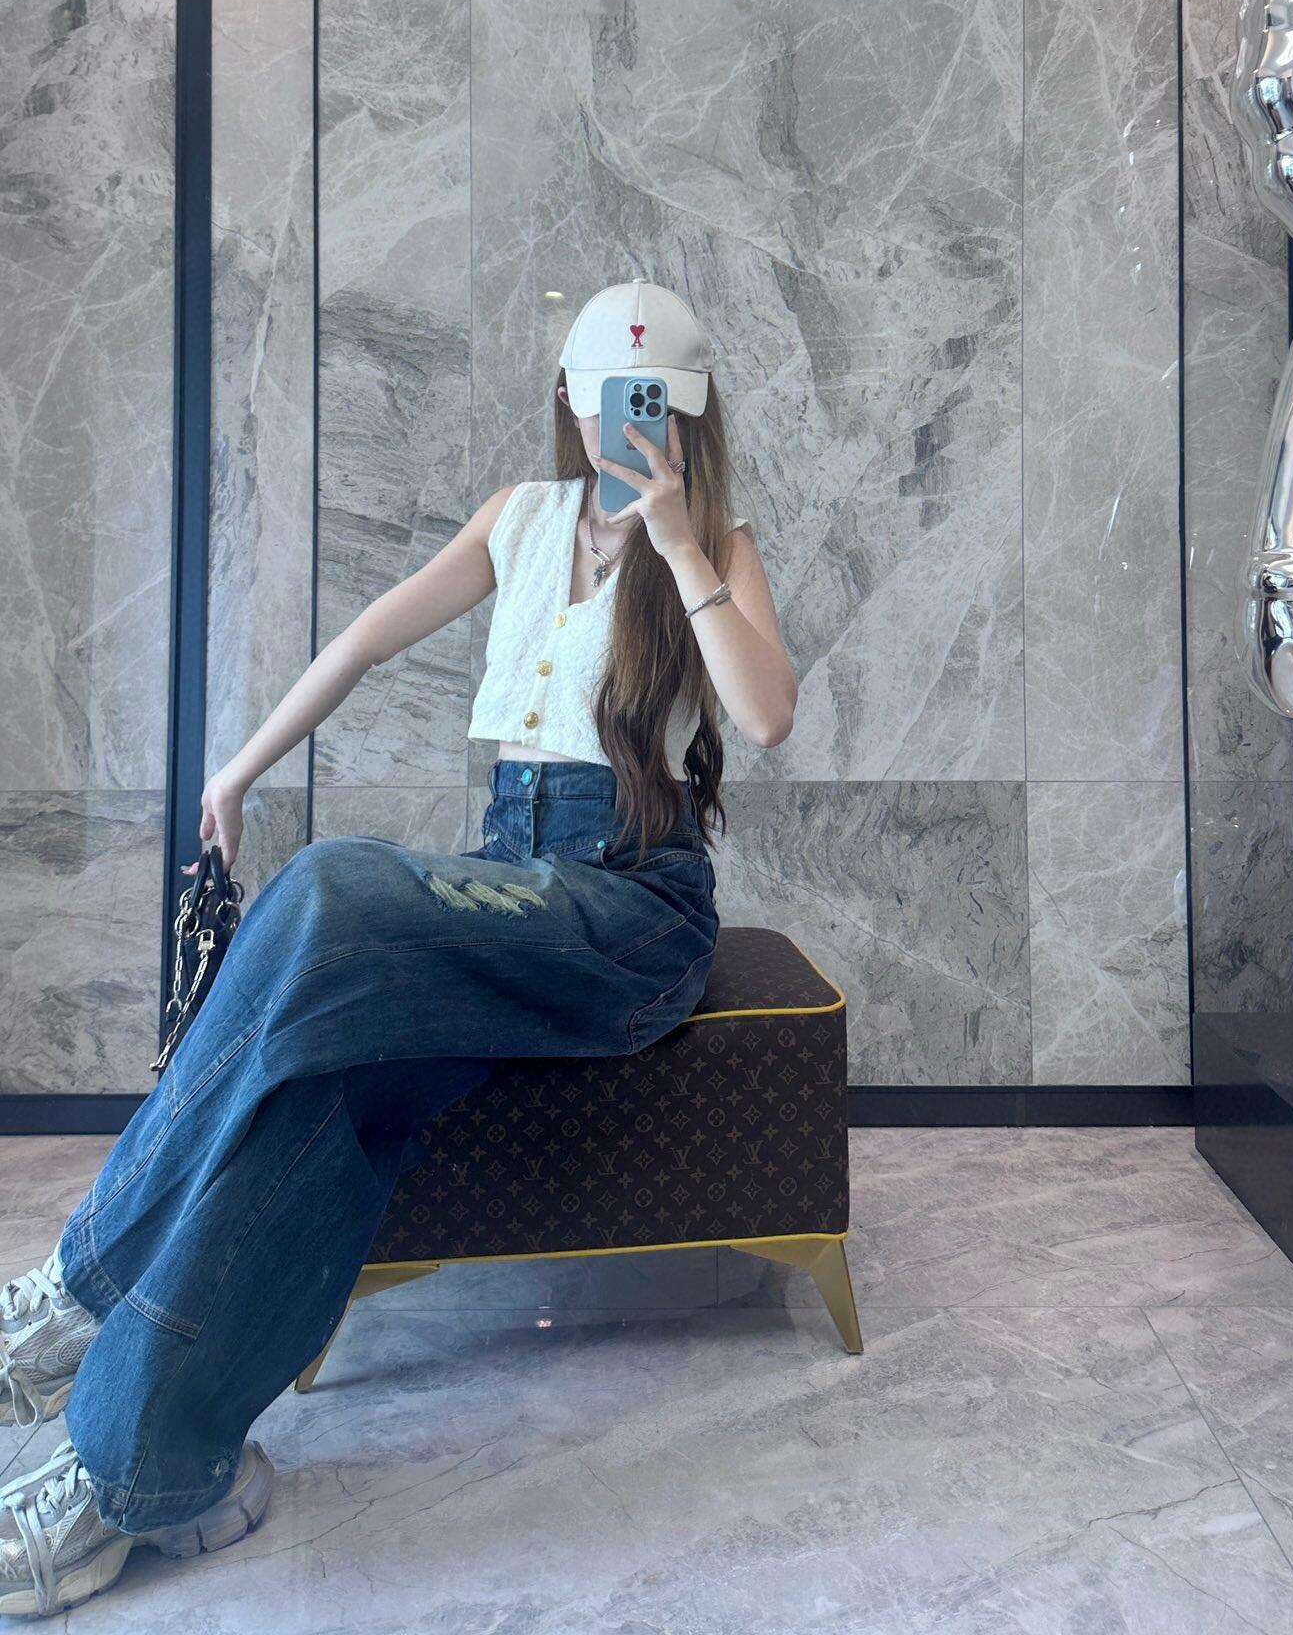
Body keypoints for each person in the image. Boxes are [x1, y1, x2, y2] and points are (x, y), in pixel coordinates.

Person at [0, 278, 796, 1618]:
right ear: (568, 400)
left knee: (327, 890)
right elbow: (370, 636)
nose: (616, 424)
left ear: (688, 413)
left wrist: (680, 542)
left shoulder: (713, 544)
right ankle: (130, 1475)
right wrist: (238, 770)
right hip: (511, 886)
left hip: (627, 917)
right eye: (597, 398)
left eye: (648, 401)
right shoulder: (522, 519)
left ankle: (80, 1289)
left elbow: (766, 716)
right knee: (316, 1094)